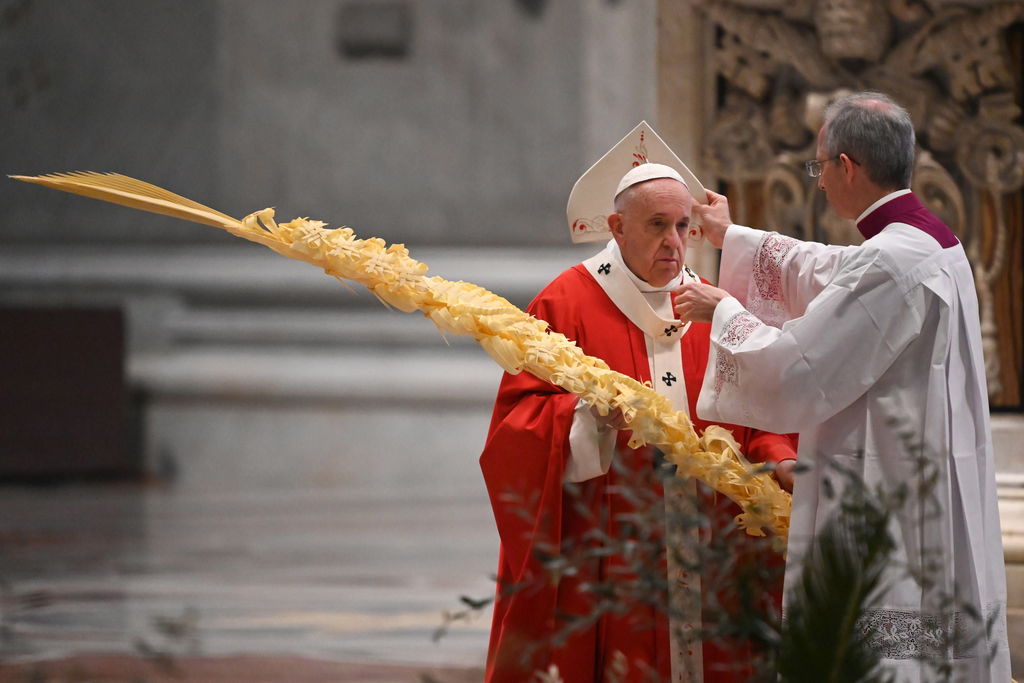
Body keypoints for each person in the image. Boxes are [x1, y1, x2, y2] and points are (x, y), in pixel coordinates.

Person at [674, 91, 1010, 680]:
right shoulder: (928, 242)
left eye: (820, 166)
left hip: (882, 484)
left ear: (847, 166)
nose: (820, 181)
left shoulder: (893, 260)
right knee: (922, 642)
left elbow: (798, 369)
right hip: (919, 471)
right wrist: (734, 237)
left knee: (881, 646)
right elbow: (831, 270)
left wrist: (723, 310)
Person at [479, 123, 798, 683]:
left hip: (709, 539)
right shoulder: (566, 302)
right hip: (616, 543)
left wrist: (779, 457)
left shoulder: (713, 305)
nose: (675, 242)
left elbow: (757, 408)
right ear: (617, 228)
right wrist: (584, 417)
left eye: (683, 226)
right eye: (657, 226)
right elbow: (515, 428)